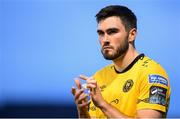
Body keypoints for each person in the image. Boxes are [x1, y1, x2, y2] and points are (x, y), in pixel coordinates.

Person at [71, 5, 171, 118]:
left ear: (132, 35)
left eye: (112, 32)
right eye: (101, 33)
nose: (105, 40)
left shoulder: (152, 74)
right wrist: (83, 112)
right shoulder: (98, 77)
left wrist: (103, 104)